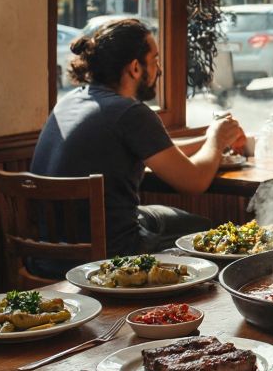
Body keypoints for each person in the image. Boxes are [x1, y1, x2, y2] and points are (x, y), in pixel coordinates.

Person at [32, 17, 246, 264]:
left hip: (45, 256)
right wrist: (217, 142)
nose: (160, 69)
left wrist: (209, 137)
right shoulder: (129, 112)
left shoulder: (71, 101)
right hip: (112, 256)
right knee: (209, 234)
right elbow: (194, 182)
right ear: (135, 67)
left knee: (178, 221)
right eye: (155, 60)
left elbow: (162, 152)